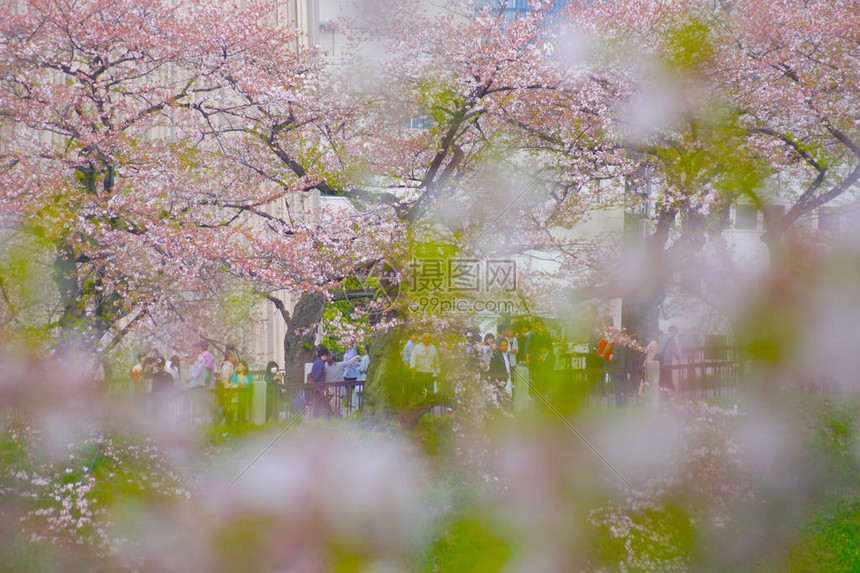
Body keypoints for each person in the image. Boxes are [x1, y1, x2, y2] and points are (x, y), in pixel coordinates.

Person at [487, 338, 513, 408]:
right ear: (499, 346)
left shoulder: (506, 354)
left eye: (506, 345)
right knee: (499, 397)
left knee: (507, 395)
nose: (505, 347)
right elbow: (492, 368)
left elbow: (508, 366)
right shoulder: (495, 355)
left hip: (507, 378)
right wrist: (496, 380)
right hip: (499, 380)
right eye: (503, 345)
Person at [656, 326, 681, 392]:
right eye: (675, 332)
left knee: (662, 378)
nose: (675, 334)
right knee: (668, 379)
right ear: (673, 331)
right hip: (667, 362)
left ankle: (661, 392)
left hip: (661, 361)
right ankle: (670, 392)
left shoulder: (662, 337)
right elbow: (674, 350)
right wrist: (678, 359)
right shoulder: (671, 339)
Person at [353, 347, 370, 412]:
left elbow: (362, 369)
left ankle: (358, 408)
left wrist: (358, 368)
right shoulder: (372, 357)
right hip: (369, 377)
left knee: (359, 395)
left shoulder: (364, 358)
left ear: (366, 350)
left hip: (362, 377)